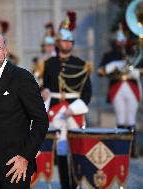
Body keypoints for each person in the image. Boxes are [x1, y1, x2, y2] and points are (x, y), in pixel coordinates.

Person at [0, 32, 48, 189]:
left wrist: (25, 156)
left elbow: (41, 121)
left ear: (5, 51)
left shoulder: (22, 78)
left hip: (15, 168)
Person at [43, 12, 92, 189]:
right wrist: (45, 92)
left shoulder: (81, 64)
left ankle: (77, 184)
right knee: (61, 151)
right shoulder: (49, 64)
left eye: (70, 41)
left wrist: (75, 108)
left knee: (77, 149)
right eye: (64, 41)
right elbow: (46, 86)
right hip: (56, 110)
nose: (67, 44)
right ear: (58, 43)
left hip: (74, 111)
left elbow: (87, 92)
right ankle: (65, 185)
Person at [98, 25, 142, 158]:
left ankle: (132, 149)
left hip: (132, 86)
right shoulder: (109, 55)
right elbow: (100, 71)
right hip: (117, 87)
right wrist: (112, 66)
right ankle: (121, 148)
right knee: (121, 118)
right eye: (119, 39)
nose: (121, 42)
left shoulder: (135, 53)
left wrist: (134, 71)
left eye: (123, 39)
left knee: (131, 119)